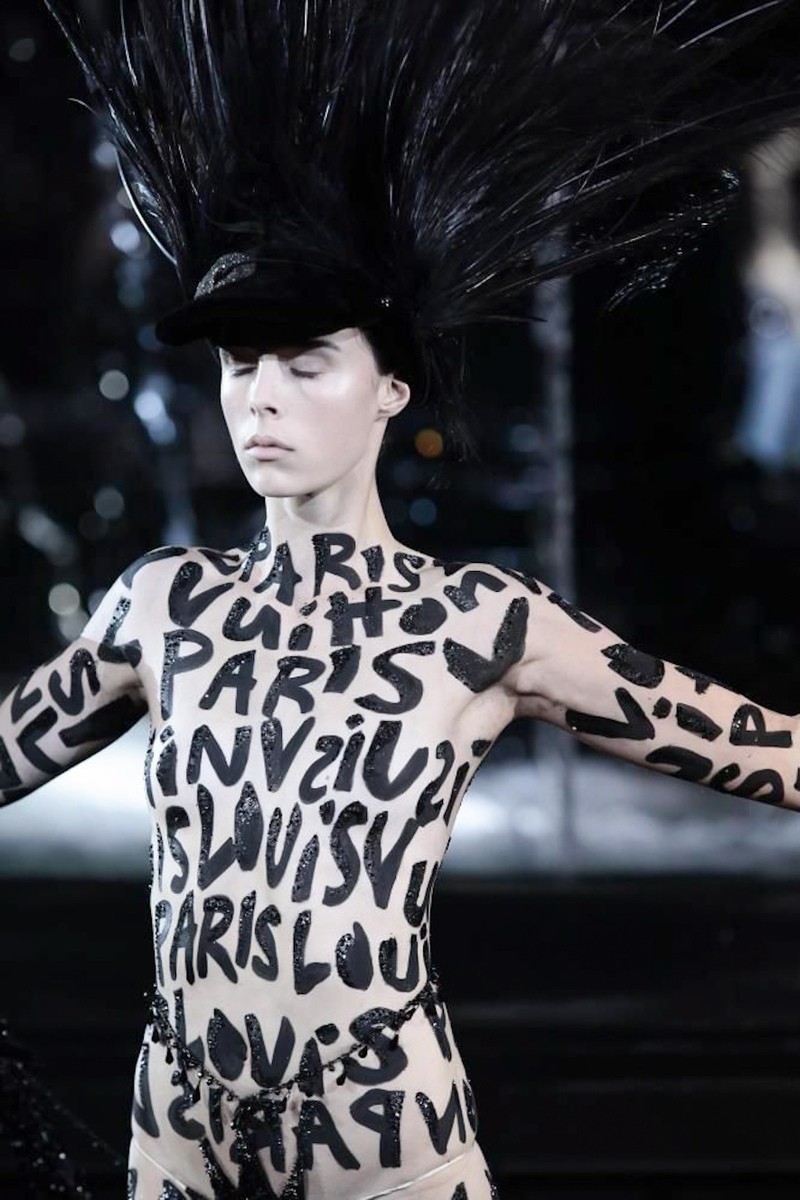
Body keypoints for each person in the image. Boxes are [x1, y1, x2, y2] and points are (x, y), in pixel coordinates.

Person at [11, 1, 800, 1196]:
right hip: (174, 1140)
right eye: (238, 364)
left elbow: (760, 750)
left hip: (382, 1149)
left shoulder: (482, 625)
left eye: (305, 363)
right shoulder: (159, 607)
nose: (260, 398)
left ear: (390, 388)